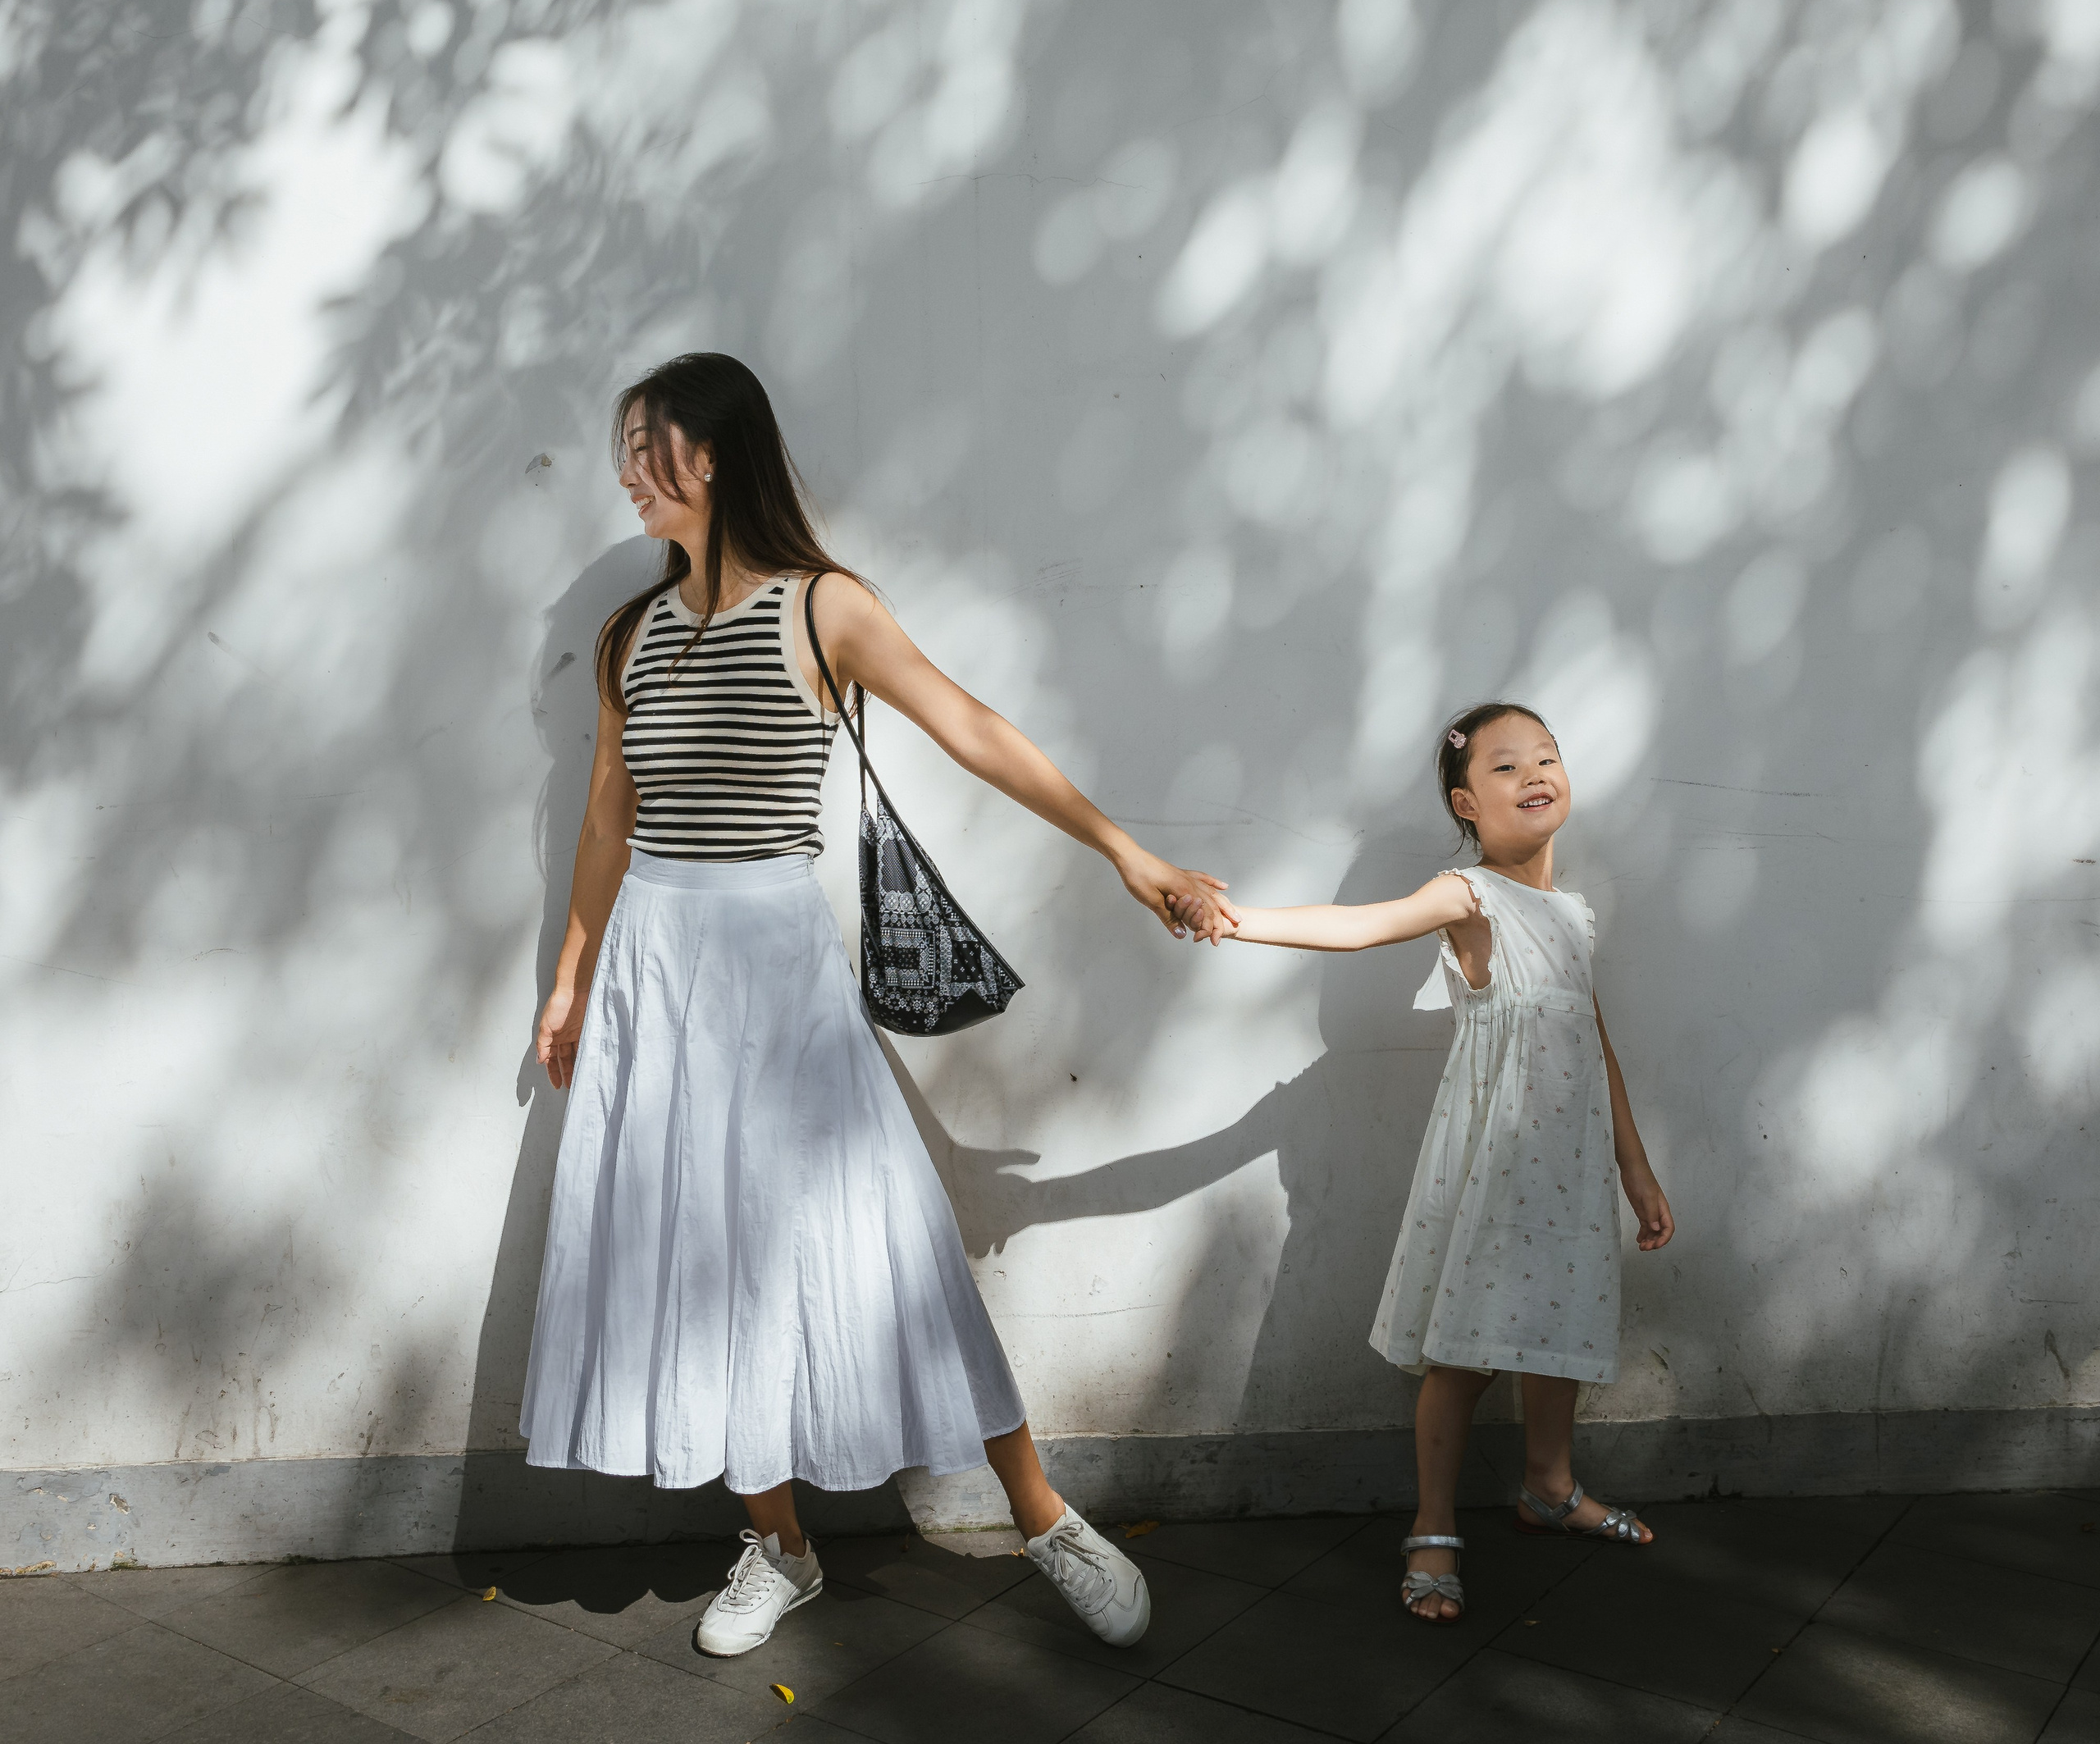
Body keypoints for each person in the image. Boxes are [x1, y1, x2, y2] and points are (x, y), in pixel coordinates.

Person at [518, 353, 1234, 1657]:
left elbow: (970, 726)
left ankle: (1043, 1518)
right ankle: (779, 1546)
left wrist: (1128, 851)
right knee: (704, 1261)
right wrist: (570, 975)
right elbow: (609, 817)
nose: (626, 473)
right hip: (653, 976)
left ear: (718, 452)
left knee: (894, 1247)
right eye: (621, 451)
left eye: (647, 446)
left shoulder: (822, 608)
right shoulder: (631, 633)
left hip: (773, 964)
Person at [1196, 702, 1673, 1623]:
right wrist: (1233, 916)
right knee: (1463, 1346)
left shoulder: (1571, 914)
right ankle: (1431, 1525)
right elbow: (1358, 927)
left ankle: (1549, 1482)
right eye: (1504, 767)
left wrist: (1636, 1168)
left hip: (1568, 1165)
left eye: (1545, 755)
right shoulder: (1470, 895)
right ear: (1466, 803)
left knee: (1558, 1321)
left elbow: (1593, 1037)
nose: (1533, 771)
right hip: (1495, 1164)